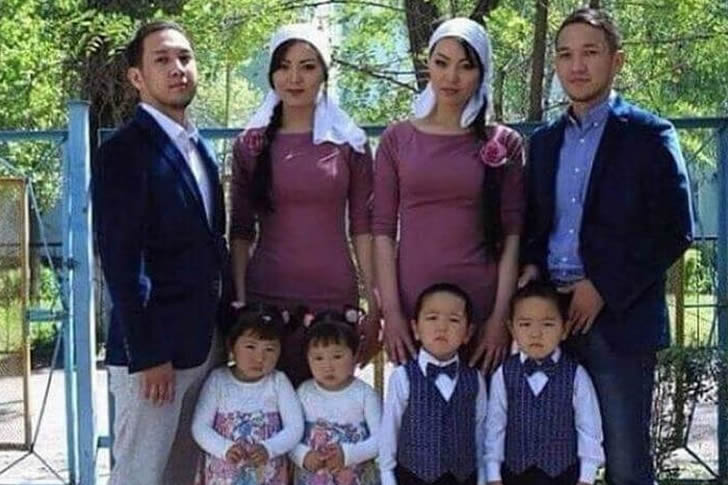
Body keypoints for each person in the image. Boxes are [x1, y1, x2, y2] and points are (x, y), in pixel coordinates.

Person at [519, 8, 694, 485]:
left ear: (616, 61)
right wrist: (531, 272)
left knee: (626, 464)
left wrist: (602, 287)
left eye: (590, 53)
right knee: (546, 462)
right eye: (565, 55)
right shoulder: (545, 142)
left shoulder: (649, 135)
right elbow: (535, 226)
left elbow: (674, 228)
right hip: (549, 320)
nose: (577, 66)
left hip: (619, 322)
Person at [93, 21, 229, 485]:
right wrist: (148, 352)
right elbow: (121, 261)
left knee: (181, 477)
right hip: (153, 358)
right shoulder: (124, 152)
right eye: (162, 59)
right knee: (139, 476)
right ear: (137, 77)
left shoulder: (199, 149)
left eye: (185, 58)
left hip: (203, 346)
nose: (177, 68)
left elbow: (212, 245)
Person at [373, 17, 525, 373]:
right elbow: (382, 231)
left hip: (480, 308)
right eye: (441, 63)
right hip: (414, 312)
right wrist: (391, 312)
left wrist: (499, 317)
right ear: (428, 65)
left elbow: (512, 237)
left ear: (482, 72)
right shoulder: (397, 139)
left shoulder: (504, 142)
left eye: (465, 66)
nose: (451, 77)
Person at [230, 24, 379, 386]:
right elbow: (241, 231)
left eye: (307, 67)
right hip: (266, 297)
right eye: (283, 66)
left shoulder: (350, 144)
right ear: (271, 74)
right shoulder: (249, 146)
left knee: (329, 407)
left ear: (324, 73)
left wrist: (375, 304)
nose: (294, 78)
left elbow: (363, 228)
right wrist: (240, 300)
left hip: (333, 297)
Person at [484, 281, 604, 485]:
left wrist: (586, 477)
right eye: (525, 324)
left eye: (547, 324)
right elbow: (495, 427)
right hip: (514, 474)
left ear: (564, 329)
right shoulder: (503, 374)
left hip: (564, 475)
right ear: (512, 329)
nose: (536, 333)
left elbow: (589, 428)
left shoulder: (576, 375)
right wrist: (493, 474)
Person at [379, 282, 487, 485]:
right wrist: (387, 476)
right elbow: (390, 430)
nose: (442, 327)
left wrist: (482, 477)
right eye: (432, 318)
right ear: (415, 328)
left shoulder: (475, 379)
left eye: (454, 320)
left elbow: (480, 431)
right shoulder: (402, 377)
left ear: (468, 333)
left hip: (463, 477)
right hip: (412, 476)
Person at [191, 304, 304, 485]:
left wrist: (269, 448)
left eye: (269, 349)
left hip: (267, 473)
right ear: (231, 345)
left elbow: (295, 427)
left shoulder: (278, 382)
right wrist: (224, 448)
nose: (259, 358)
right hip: (225, 474)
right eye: (250, 346)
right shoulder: (218, 380)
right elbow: (200, 427)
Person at [290, 310, 381, 485]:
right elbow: (289, 434)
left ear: (354, 355)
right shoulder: (303, 393)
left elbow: (381, 439)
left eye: (337, 356)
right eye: (318, 358)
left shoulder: (365, 394)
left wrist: (348, 455)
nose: (328, 366)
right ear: (307, 359)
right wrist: (303, 456)